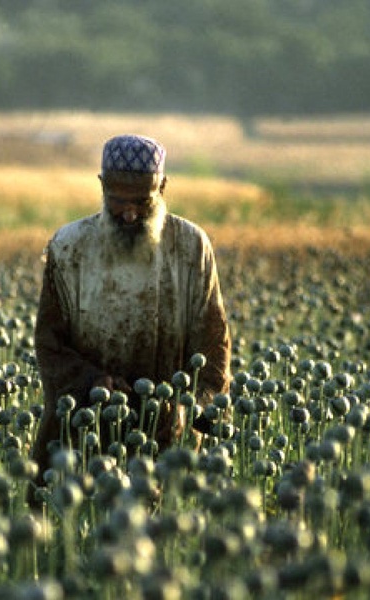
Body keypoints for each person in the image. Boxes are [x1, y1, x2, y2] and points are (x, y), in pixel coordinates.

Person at [31, 133, 231, 487]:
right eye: (117, 201)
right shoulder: (68, 247)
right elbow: (50, 345)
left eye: (142, 202)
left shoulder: (190, 247)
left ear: (163, 187)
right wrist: (93, 383)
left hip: (167, 439)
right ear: (101, 186)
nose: (128, 213)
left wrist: (188, 409)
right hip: (81, 438)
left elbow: (213, 344)